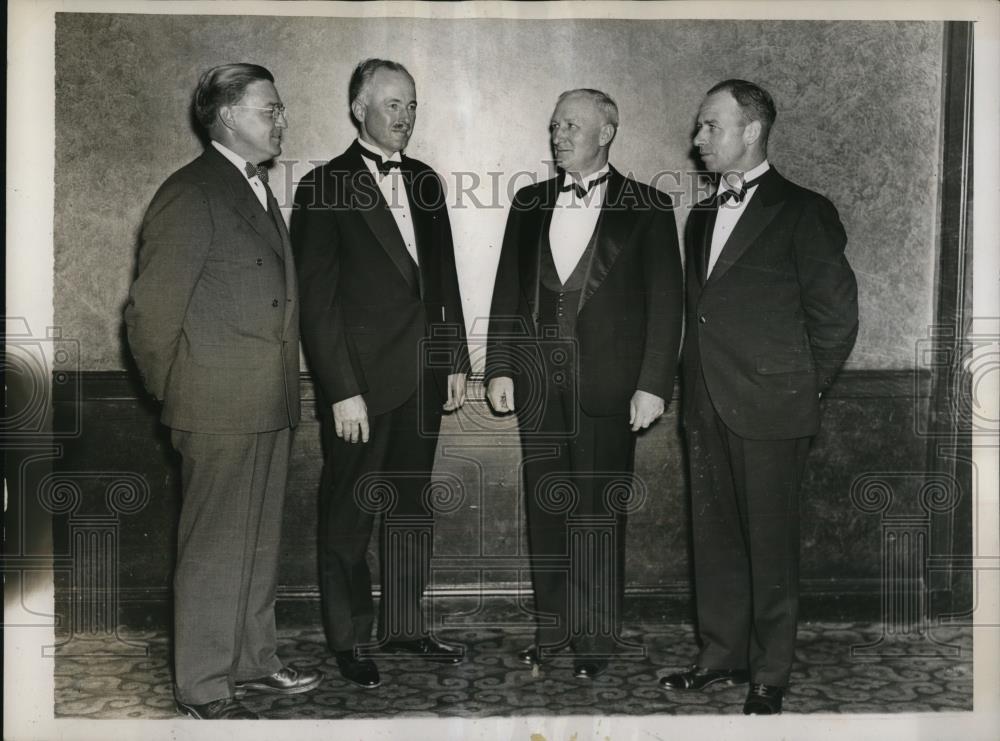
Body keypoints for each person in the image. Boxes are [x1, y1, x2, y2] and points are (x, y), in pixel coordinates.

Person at [124, 63, 322, 720]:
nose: (281, 120)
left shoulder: (254, 189)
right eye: (270, 108)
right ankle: (204, 685)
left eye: (280, 108)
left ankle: (252, 659)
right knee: (213, 548)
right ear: (228, 115)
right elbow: (151, 317)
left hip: (266, 403)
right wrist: (179, 395)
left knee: (258, 543)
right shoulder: (192, 192)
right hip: (216, 406)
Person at [659, 79, 859, 714]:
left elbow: (836, 319)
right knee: (715, 539)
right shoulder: (701, 215)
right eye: (699, 127)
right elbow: (702, 313)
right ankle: (722, 656)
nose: (698, 140)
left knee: (771, 547)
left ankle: (770, 673)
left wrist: (802, 388)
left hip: (774, 410)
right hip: (706, 405)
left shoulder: (805, 210)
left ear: (751, 132)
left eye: (710, 127)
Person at [485, 89, 683, 679]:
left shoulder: (648, 206)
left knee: (598, 516)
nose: (558, 135)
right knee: (547, 512)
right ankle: (552, 635)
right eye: (553, 125)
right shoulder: (527, 203)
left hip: (611, 390)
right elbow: (505, 293)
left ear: (608, 131)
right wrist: (498, 366)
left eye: (572, 124)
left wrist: (653, 384)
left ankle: (595, 642)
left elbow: (666, 305)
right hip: (537, 389)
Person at [291, 59, 469, 689]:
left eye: (412, 106)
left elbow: (443, 280)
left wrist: (455, 362)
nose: (404, 117)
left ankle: (405, 626)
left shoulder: (425, 182)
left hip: (424, 378)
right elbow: (317, 302)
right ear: (357, 108)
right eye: (393, 104)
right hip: (361, 389)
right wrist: (342, 391)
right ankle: (348, 639)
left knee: (410, 510)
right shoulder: (321, 186)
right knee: (350, 512)